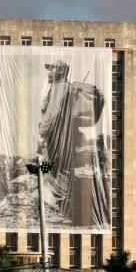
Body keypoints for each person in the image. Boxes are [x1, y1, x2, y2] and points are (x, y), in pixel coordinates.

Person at [38, 60, 109, 227]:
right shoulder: (65, 88)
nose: (48, 72)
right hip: (65, 138)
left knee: (54, 172)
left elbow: (52, 113)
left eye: (51, 69)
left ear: (60, 71)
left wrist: (42, 132)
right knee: (59, 172)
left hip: (57, 140)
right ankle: (67, 211)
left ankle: (65, 212)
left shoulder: (59, 88)